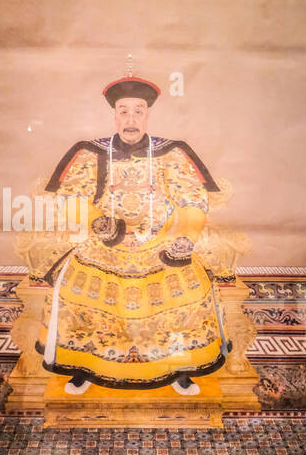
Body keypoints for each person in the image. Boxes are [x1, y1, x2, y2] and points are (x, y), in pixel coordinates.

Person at [33, 69, 228, 395]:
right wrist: (100, 224)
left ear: (147, 115)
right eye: (124, 111)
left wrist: (184, 239)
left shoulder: (172, 152)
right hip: (106, 241)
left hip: (161, 243)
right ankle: (84, 365)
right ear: (114, 115)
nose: (131, 118)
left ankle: (180, 367)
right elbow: (72, 197)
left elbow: (192, 198)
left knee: (190, 288)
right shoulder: (90, 151)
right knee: (76, 286)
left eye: (138, 111)